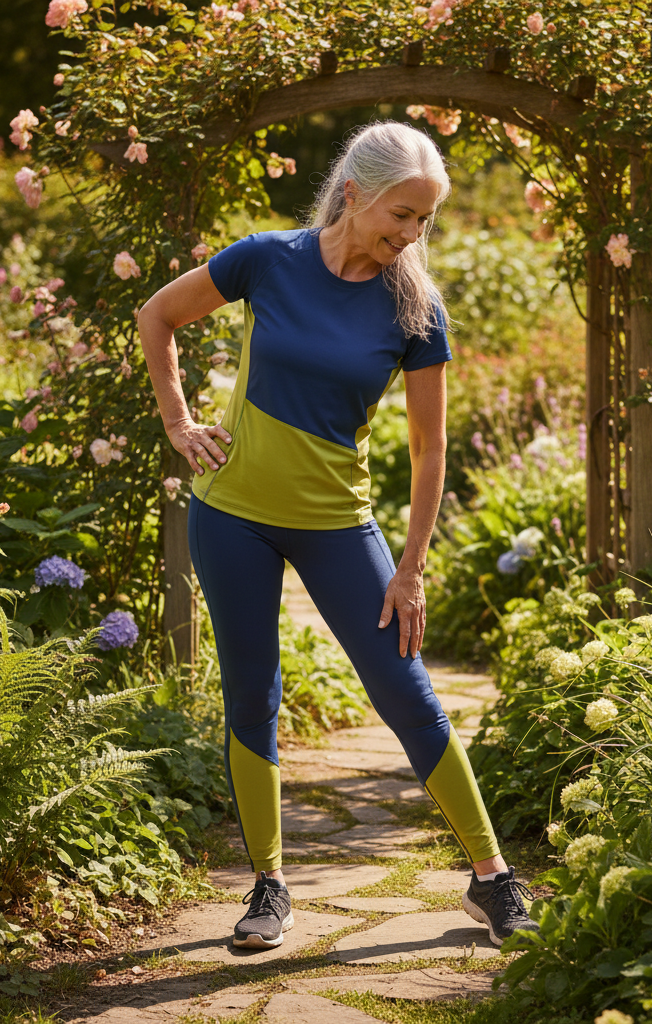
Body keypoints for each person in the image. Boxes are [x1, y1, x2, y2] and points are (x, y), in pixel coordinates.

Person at [137, 121, 538, 951]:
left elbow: (430, 451)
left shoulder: (417, 309)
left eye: (425, 220)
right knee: (253, 695)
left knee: (409, 694)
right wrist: (179, 422)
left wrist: (413, 567)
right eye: (402, 214)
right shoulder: (266, 258)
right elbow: (158, 316)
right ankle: (269, 888)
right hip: (232, 516)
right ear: (354, 192)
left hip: (337, 524)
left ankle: (492, 881)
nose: (411, 235)